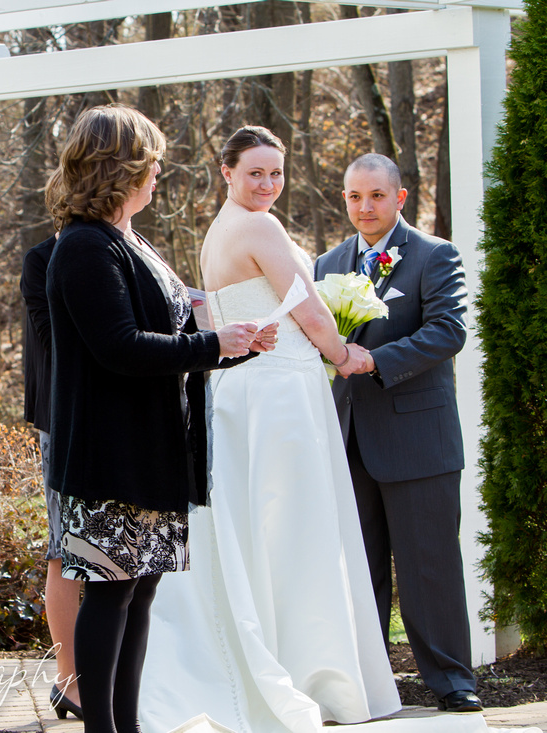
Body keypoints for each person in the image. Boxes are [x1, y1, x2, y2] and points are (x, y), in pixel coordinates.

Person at [140, 126, 400, 733]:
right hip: (277, 392)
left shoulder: (221, 227)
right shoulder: (257, 226)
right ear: (226, 171)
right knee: (296, 528)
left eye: (276, 173)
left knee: (265, 523)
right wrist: (343, 353)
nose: (268, 184)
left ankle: (285, 658)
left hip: (246, 387)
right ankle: (310, 676)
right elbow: (305, 304)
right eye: (255, 172)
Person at [45, 105, 276, 733]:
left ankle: (127, 724)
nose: (157, 175)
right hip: (109, 455)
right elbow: (119, 346)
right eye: (149, 164)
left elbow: (160, 320)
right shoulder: (85, 246)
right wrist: (214, 344)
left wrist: (222, 331)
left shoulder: (127, 239)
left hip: (148, 446)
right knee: (111, 589)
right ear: (120, 169)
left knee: (139, 590)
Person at [315, 153, 480, 713]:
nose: (366, 207)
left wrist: (373, 361)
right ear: (344, 199)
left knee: (429, 565)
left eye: (377, 196)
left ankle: (453, 681)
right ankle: (369, 683)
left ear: (400, 197)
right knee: (358, 571)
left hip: (418, 438)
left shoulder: (434, 256)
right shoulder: (324, 265)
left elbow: (448, 330)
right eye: (355, 197)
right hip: (347, 437)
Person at [20, 235, 83, 718]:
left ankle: (97, 677)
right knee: (66, 548)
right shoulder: (42, 259)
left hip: (117, 420)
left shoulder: (130, 247)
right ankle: (70, 679)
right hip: (64, 422)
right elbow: (58, 343)